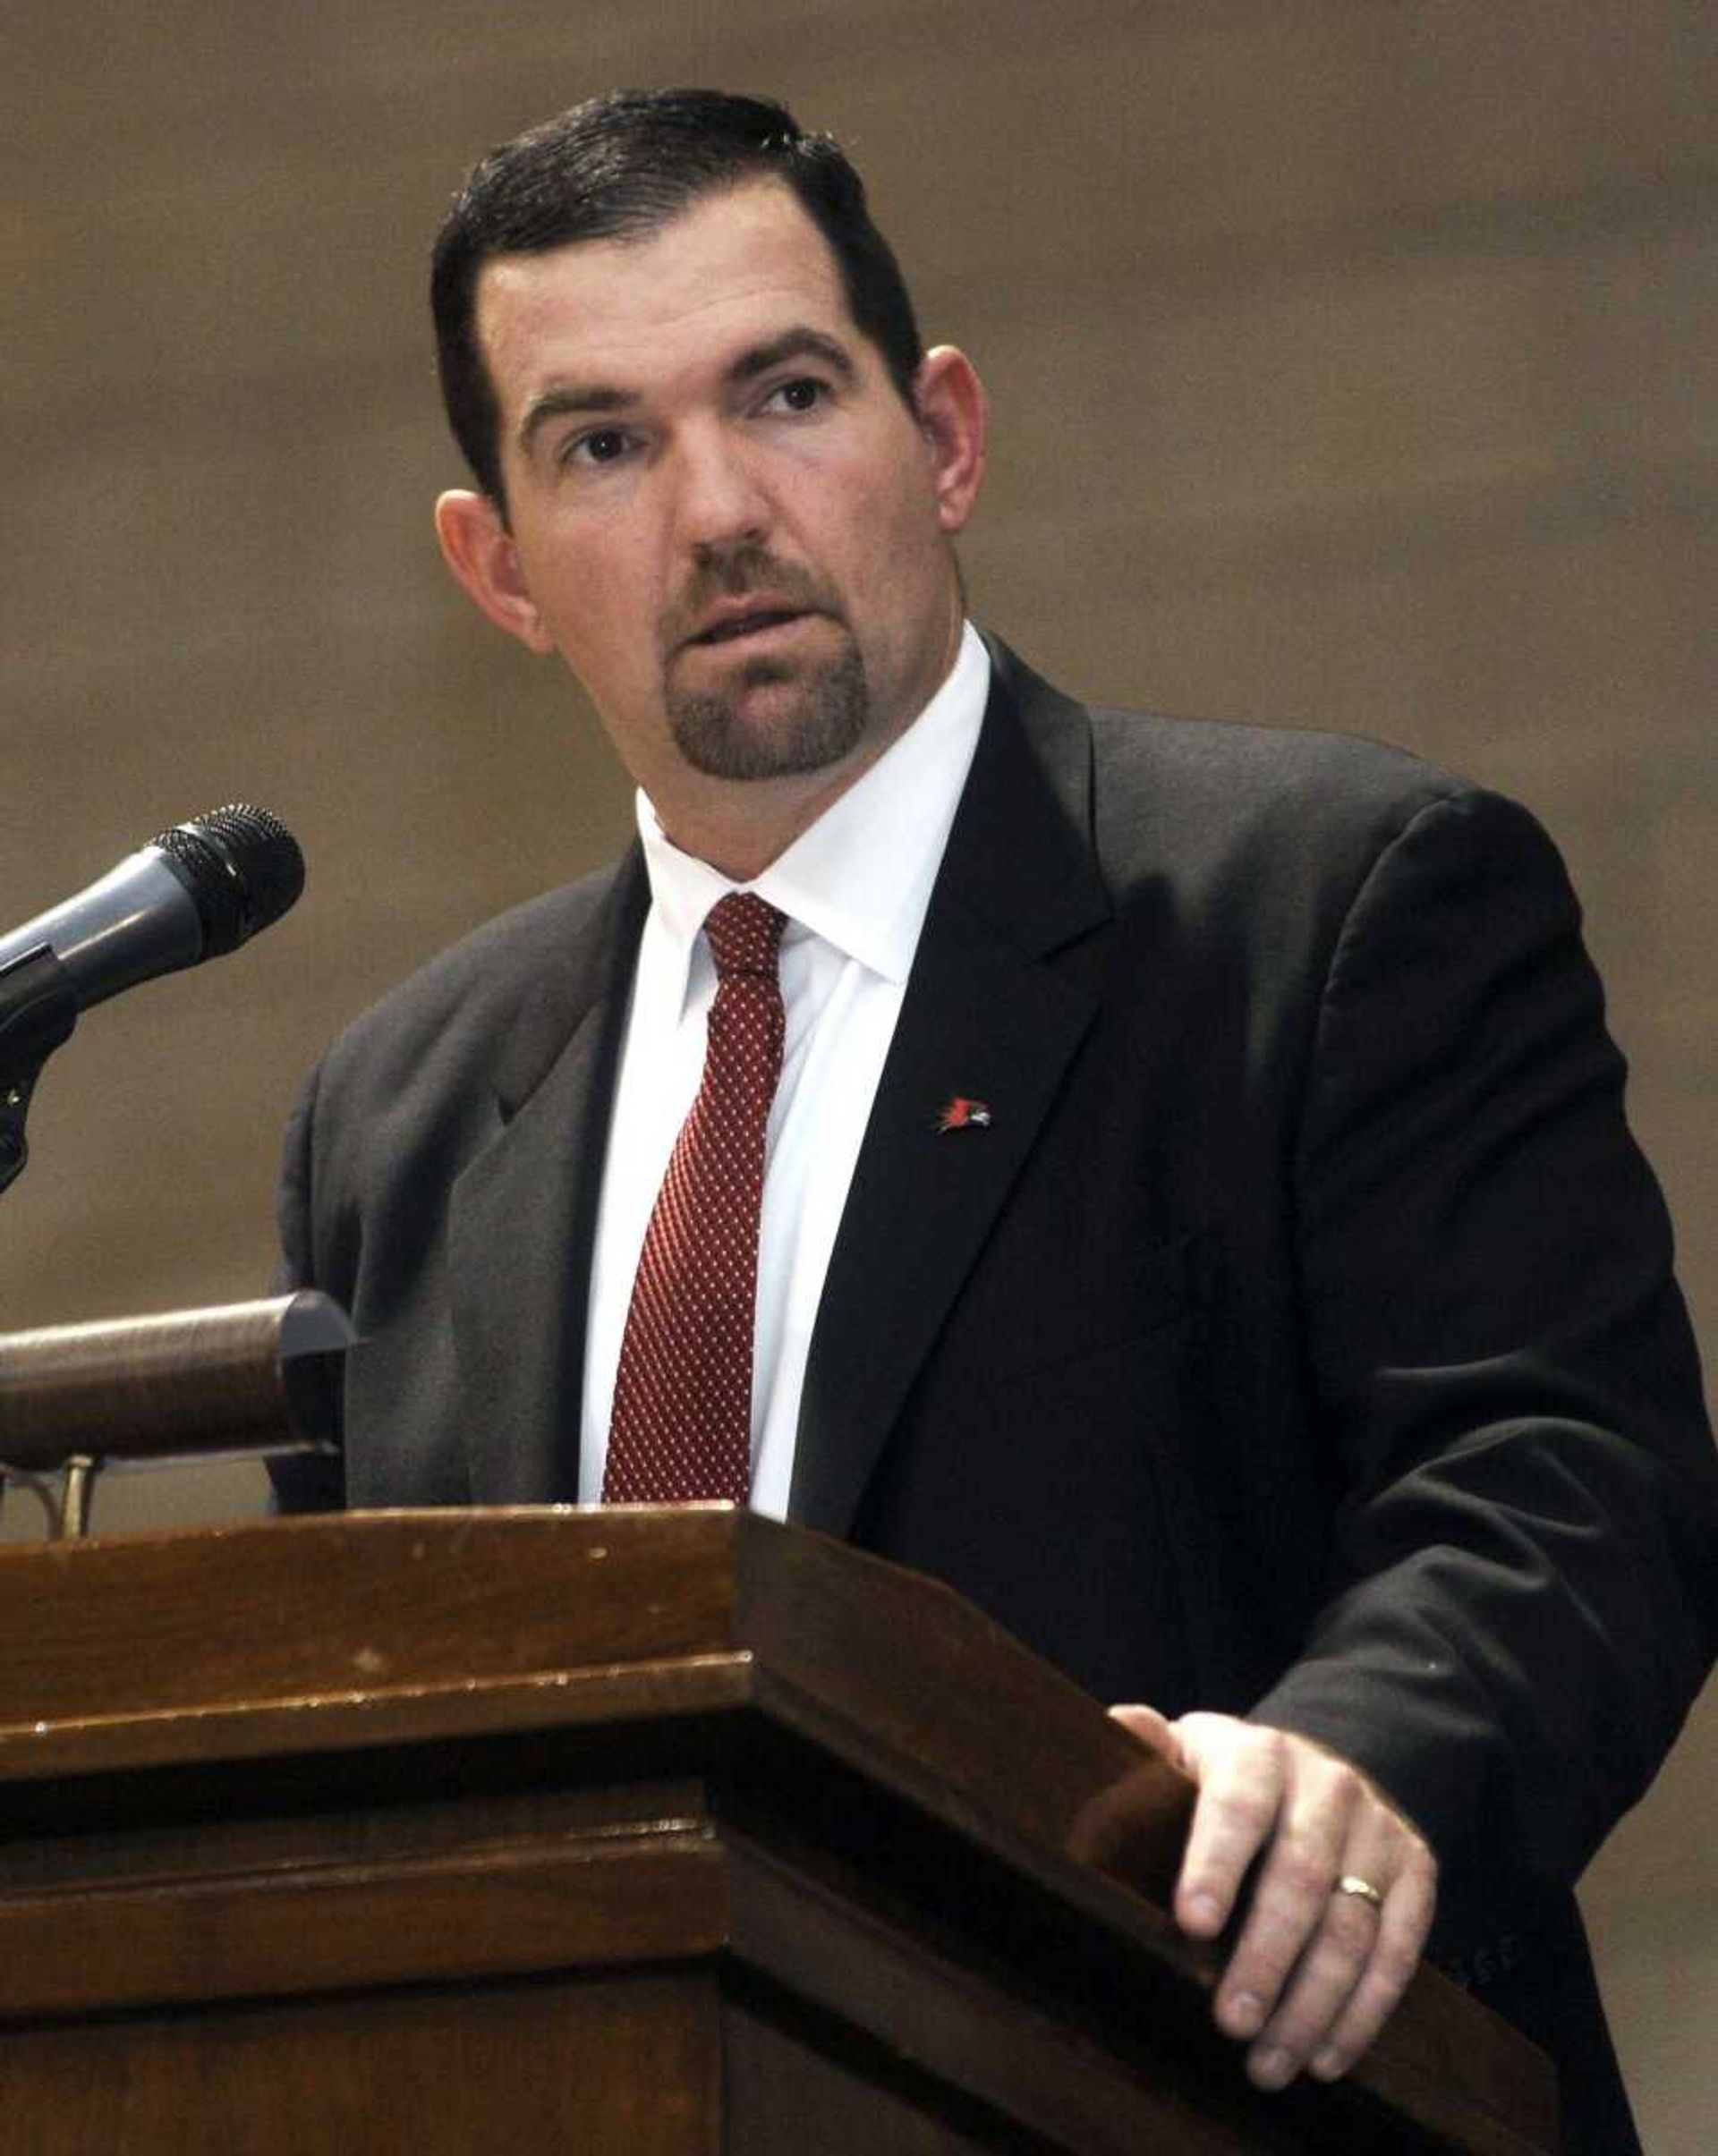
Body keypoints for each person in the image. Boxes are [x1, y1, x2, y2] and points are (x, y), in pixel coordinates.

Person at [273, 89, 1717, 2152]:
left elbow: (1566, 1474)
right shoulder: (395, 1122)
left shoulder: (1328, 903)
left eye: (784, 392)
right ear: (495, 564)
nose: (716, 511)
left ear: (943, 435)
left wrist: (1357, 1764)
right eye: (605, 442)